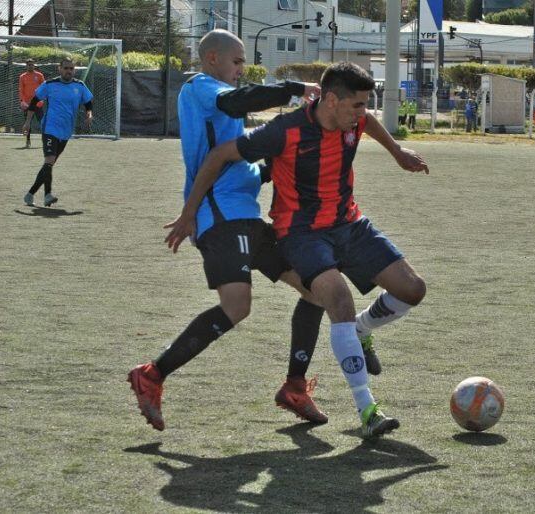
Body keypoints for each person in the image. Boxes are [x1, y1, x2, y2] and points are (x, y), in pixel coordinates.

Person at [189, 62, 430, 439]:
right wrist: (190, 213)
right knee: (338, 298)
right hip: (300, 233)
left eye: (367, 105)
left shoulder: (353, 120)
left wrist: (397, 151)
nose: (363, 114)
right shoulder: (285, 131)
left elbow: (369, 124)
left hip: (349, 224)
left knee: (413, 290)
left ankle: (363, 330)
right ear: (330, 100)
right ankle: (367, 408)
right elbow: (220, 154)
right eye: (358, 105)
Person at [127, 29, 327, 431]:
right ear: (212, 58)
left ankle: (294, 386)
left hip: (247, 218)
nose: (241, 70)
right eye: (237, 62)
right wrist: (296, 89)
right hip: (220, 218)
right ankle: (152, 374)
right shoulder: (200, 88)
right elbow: (240, 102)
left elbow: (244, 163)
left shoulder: (226, 107)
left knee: (317, 290)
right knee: (237, 306)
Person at [22, 57, 92, 208]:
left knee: (49, 164)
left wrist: (89, 114)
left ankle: (30, 194)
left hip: (66, 131)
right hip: (50, 128)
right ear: (59, 69)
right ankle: (47, 195)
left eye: (71, 68)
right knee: (49, 161)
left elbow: (88, 102)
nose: (68, 71)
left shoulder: (79, 86)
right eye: (66, 68)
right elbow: (34, 101)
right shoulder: (49, 84)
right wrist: (27, 122)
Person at [18, 58, 44, 148]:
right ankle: (28, 141)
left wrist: (42, 99)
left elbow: (44, 87)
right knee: (28, 123)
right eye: (29, 64)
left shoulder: (39, 75)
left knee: (42, 122)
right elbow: (21, 90)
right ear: (26, 66)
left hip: (38, 103)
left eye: (32, 64)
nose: (31, 66)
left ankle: (46, 141)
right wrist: (22, 101)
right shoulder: (22, 76)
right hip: (28, 104)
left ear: (34, 65)